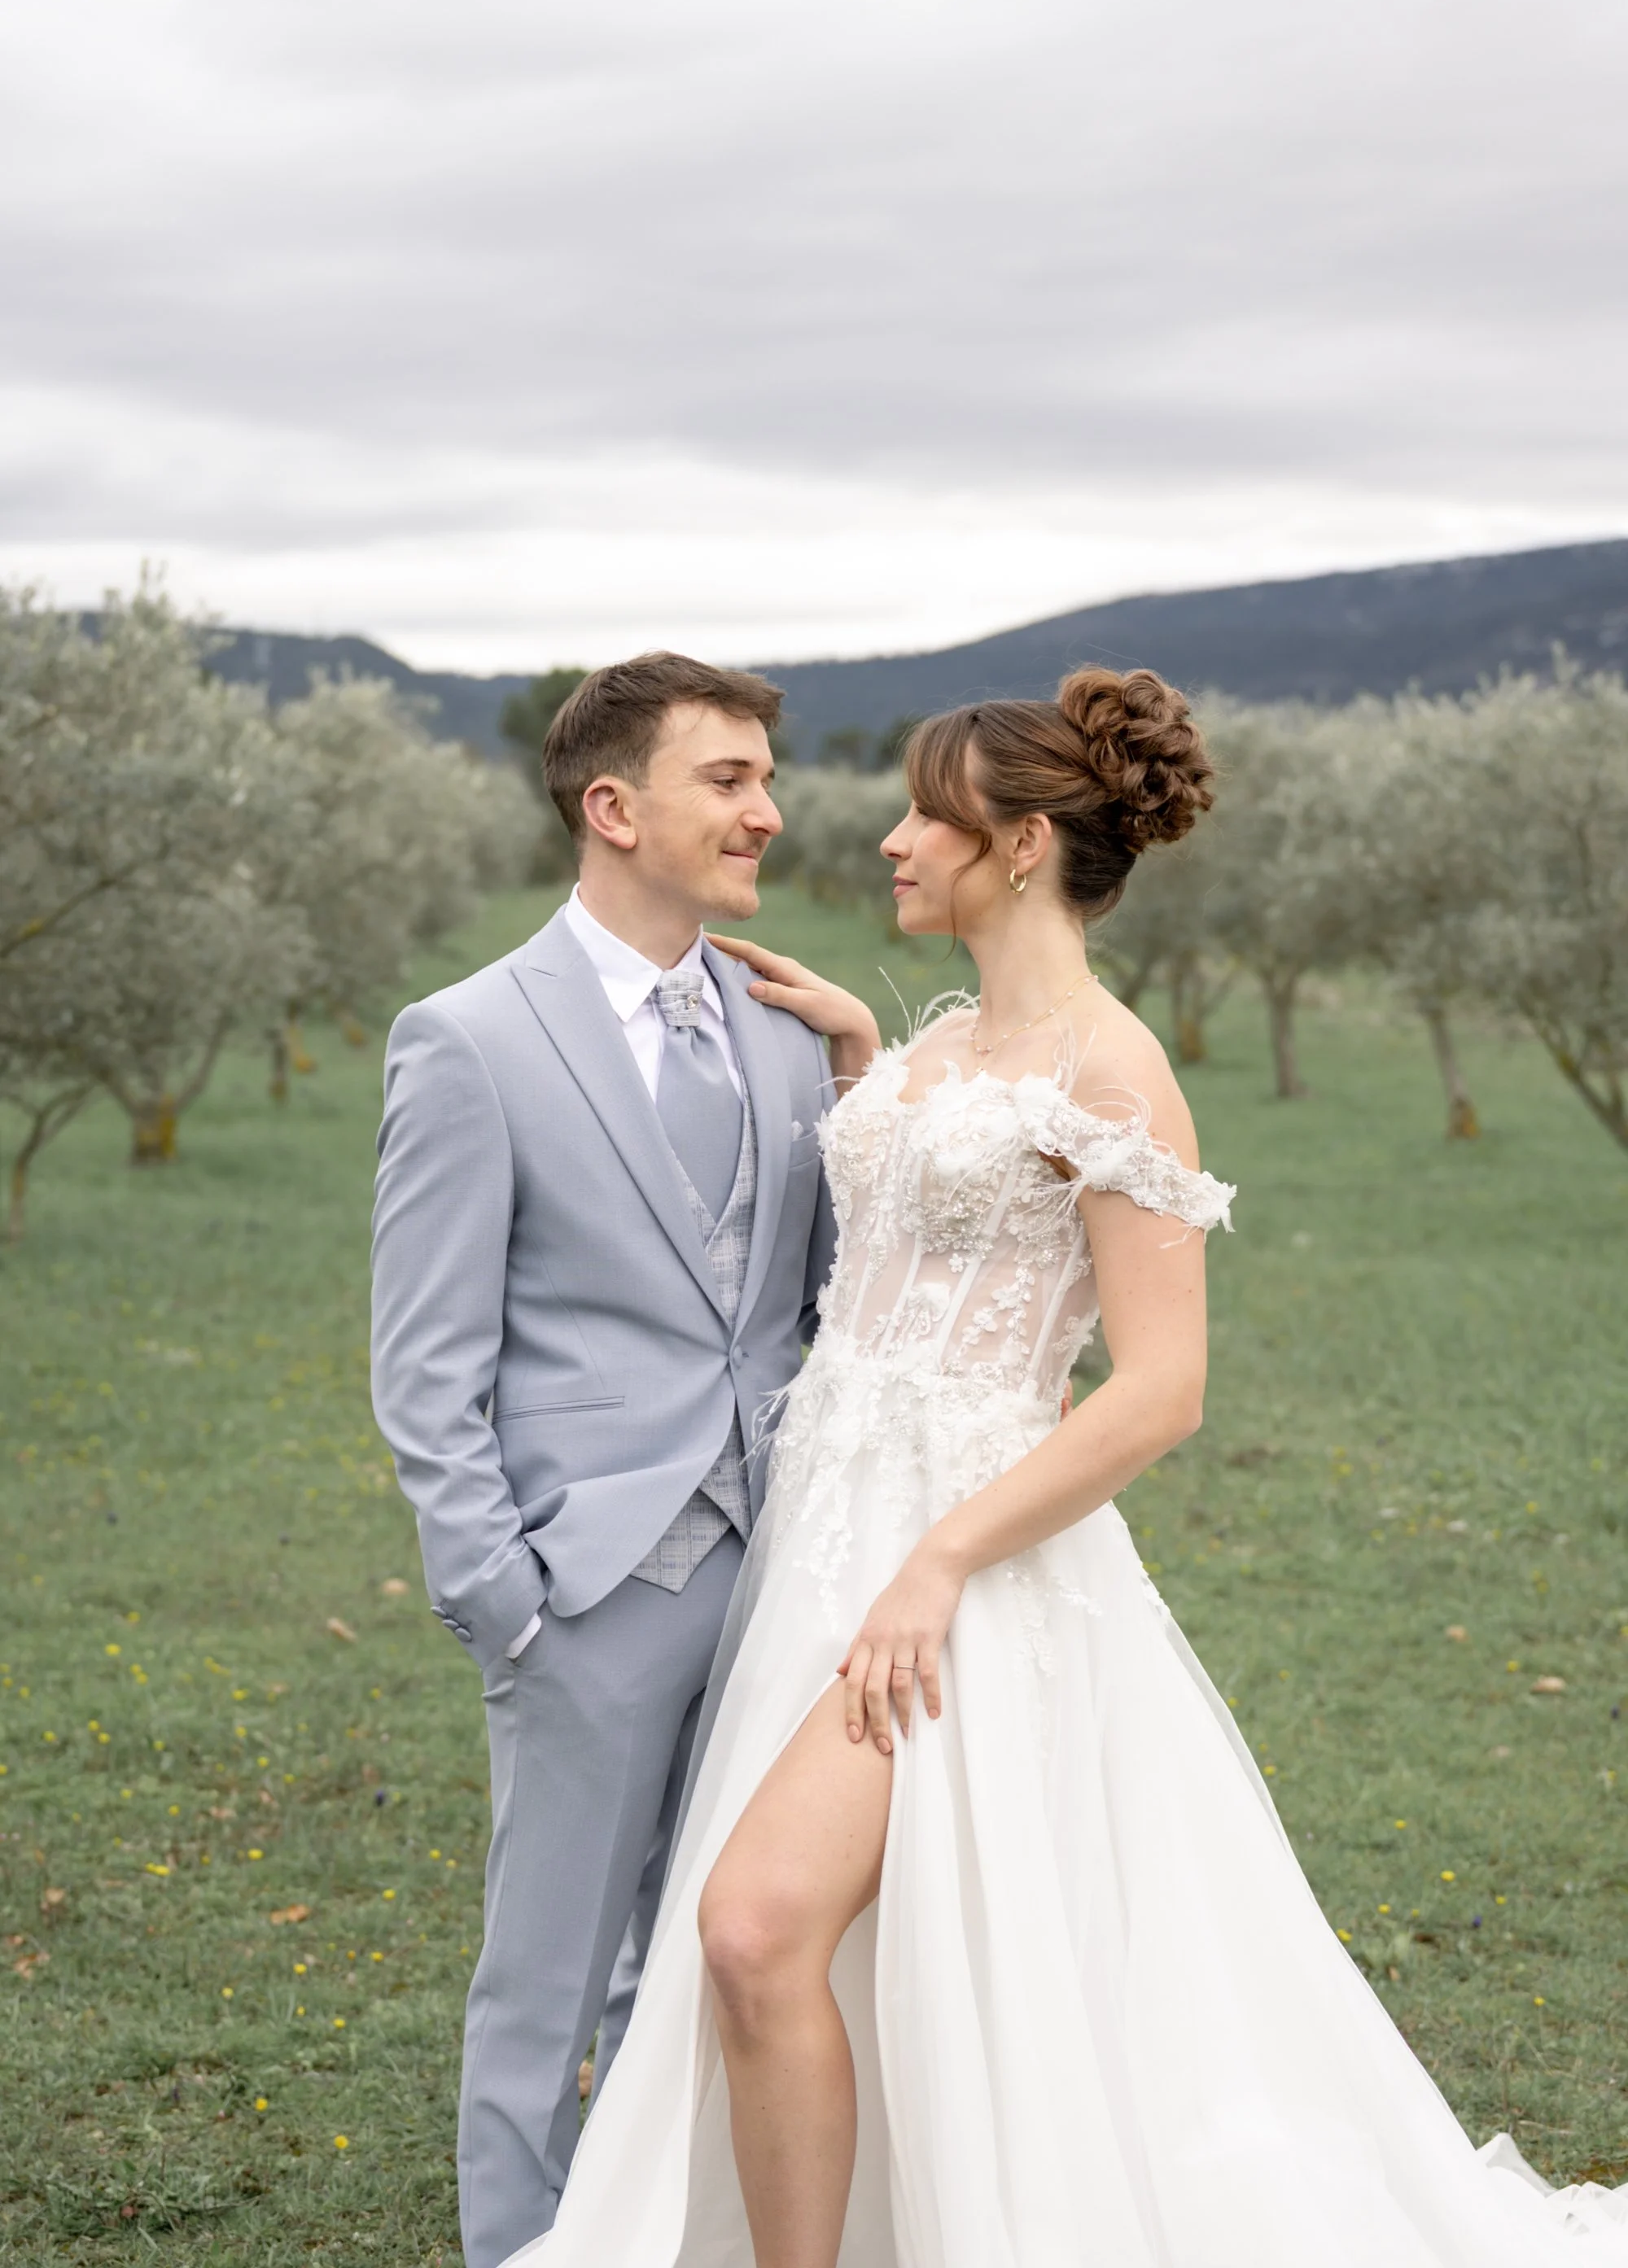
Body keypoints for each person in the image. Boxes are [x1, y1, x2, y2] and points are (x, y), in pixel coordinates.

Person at [509, 666, 1628, 2268]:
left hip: (954, 1570)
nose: (889, 839)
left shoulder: (1115, 1070)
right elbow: (912, 1240)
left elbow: (1161, 1388)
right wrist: (858, 1066)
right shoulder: (943, 1040)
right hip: (820, 1536)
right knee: (820, 1955)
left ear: (1022, 844)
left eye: (926, 815)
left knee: (756, 1928)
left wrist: (943, 1562)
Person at [370, 653, 874, 2268]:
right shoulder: (468, 1042)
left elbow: (813, 1306)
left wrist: (862, 1070)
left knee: (712, 1961)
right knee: (548, 1987)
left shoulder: (786, 1032)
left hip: (776, 1571)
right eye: (725, 779)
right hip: (582, 1585)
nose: (767, 812)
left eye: (762, 777)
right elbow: (424, 1360)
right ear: (612, 806)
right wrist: (498, 1593)